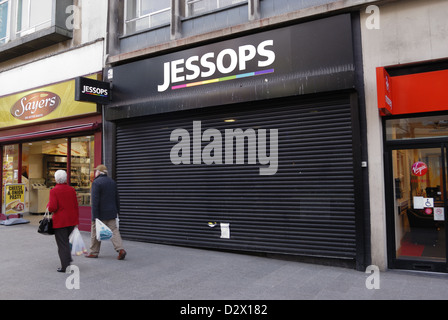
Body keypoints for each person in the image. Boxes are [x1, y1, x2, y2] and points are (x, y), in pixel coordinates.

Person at [86, 164, 126, 260]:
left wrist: (94, 216)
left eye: (96, 171)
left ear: (99, 172)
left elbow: (95, 201)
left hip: (100, 213)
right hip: (111, 212)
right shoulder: (112, 182)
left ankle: (93, 252)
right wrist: (117, 212)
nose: (95, 172)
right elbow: (117, 198)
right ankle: (120, 249)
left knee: (95, 232)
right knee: (114, 231)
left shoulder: (96, 183)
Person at [47, 170, 79, 273]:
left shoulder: (54, 191)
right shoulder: (71, 190)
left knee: (62, 244)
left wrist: (48, 206)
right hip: (71, 220)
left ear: (56, 179)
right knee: (65, 242)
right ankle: (68, 259)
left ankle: (65, 266)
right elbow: (75, 205)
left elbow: (52, 207)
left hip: (60, 221)